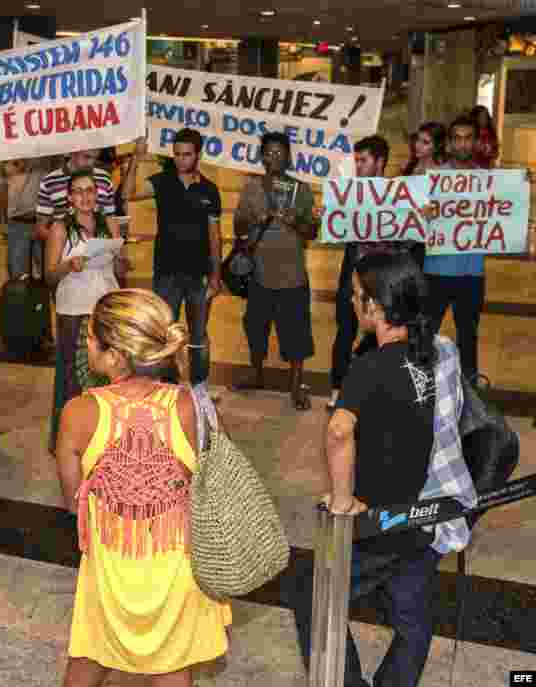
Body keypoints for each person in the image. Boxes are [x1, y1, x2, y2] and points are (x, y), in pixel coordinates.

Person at [292, 253, 476, 687]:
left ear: (376, 306)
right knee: (411, 613)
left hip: (381, 519)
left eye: (358, 296)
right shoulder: (442, 351)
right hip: (428, 511)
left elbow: (339, 432)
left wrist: (342, 501)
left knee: (310, 598)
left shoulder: (369, 367)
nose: (354, 303)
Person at [56, 288, 231, 687]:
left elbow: (72, 502)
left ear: (115, 354)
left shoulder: (78, 412)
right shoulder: (194, 406)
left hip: (111, 567)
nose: (85, 343)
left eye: (91, 337)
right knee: (172, 666)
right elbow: (212, 482)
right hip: (177, 565)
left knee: (88, 658)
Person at [326, 135, 427, 410]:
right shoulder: (350, 194)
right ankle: (337, 386)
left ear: (380, 161)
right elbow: (337, 231)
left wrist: (419, 219)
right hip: (355, 272)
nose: (358, 166)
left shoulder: (399, 194)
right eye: (356, 160)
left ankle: (379, 385)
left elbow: (409, 240)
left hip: (383, 277)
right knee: (346, 327)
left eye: (363, 160)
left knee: (384, 328)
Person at [124, 130, 223, 386]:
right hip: (167, 272)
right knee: (165, 332)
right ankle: (167, 386)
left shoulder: (210, 190)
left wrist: (215, 275)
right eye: (177, 154)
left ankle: (199, 387)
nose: (181, 159)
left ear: (198, 155)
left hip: (198, 274)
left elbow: (215, 236)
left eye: (187, 154)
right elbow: (127, 194)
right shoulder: (162, 181)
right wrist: (136, 157)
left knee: (198, 334)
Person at [231, 131, 318, 410]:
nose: (274, 158)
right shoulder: (251, 188)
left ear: (289, 157)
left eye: (280, 153)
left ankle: (296, 386)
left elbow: (311, 232)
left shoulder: (301, 190)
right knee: (255, 329)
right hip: (259, 274)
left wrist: (297, 223)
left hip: (293, 276)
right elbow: (238, 228)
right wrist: (252, 219)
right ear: (261, 156)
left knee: (296, 334)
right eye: (269, 153)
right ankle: (256, 374)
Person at [45, 168, 126, 454]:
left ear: (97, 195)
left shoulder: (110, 225)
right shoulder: (60, 228)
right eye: (78, 191)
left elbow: (119, 269)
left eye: (90, 191)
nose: (85, 197)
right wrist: (69, 265)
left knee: (108, 374)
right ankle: (67, 440)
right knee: (72, 376)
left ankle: (105, 435)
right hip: (74, 310)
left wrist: (120, 261)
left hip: (105, 306)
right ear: (69, 197)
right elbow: (49, 276)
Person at [422, 115, 485, 382]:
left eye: (468, 138)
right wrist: (424, 213)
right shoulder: (432, 180)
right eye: (457, 138)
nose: (462, 144)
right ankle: (419, 381)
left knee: (468, 334)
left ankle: (468, 384)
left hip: (472, 272)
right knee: (426, 331)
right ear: (448, 144)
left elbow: (501, 217)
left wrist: (519, 186)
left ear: (476, 143)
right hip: (436, 267)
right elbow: (415, 220)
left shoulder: (488, 180)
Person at [0, 156, 55, 279]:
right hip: (19, 222)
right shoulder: (5, 158)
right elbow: (1, 190)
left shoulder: (49, 155)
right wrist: (3, 222)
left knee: (49, 273)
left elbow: (1, 190)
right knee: (19, 275)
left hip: (44, 221)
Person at [36, 149, 116, 242]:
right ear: (73, 152)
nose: (91, 162)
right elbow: (40, 229)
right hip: (64, 253)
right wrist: (68, 244)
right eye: (86, 157)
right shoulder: (49, 181)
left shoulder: (104, 178)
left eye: (95, 158)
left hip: (101, 249)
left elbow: (111, 219)